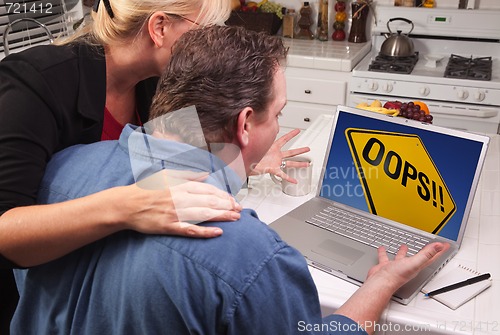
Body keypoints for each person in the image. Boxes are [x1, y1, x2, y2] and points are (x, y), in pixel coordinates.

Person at [12, 25, 449, 335]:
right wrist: (382, 283)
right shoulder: (251, 257)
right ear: (244, 124)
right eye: (277, 114)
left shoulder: (61, 169)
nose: (278, 124)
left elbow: (174, 137)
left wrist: (241, 162)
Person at [0, 0, 308, 331]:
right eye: (205, 30)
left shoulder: (158, 82)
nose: (213, 42)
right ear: (159, 27)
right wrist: (128, 205)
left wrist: (244, 156)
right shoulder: (36, 84)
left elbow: (188, 153)